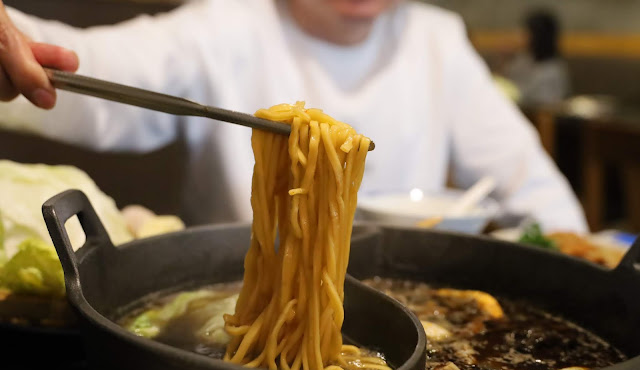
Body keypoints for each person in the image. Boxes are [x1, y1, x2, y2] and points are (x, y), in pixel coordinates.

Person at [0, 0, 587, 231]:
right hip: (237, 321)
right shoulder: (230, 23)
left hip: (415, 316)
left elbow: (533, 190)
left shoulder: (435, 37)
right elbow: (98, 72)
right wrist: (17, 43)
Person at [505, 10, 571, 106]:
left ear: (537, 36)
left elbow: (546, 106)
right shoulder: (521, 59)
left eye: (525, 32)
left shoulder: (552, 70)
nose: (518, 36)